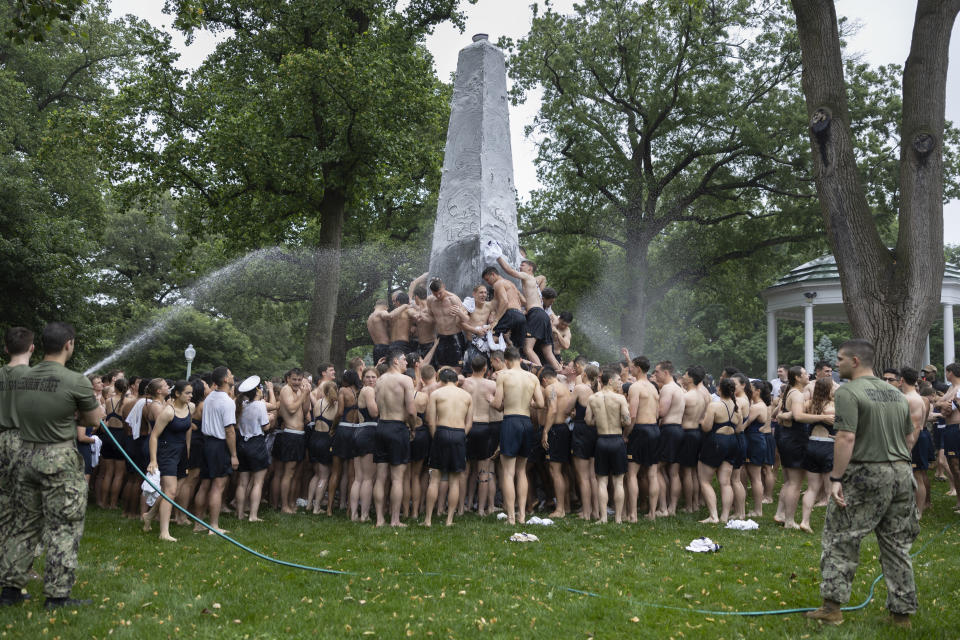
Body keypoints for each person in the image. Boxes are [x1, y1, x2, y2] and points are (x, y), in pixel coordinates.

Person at [806, 339, 918, 628]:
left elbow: (845, 437)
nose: (835, 365)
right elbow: (909, 437)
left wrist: (836, 478)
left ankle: (832, 608)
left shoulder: (849, 392)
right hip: (902, 472)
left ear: (855, 361)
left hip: (867, 471)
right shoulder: (895, 394)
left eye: (840, 359)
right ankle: (901, 615)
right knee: (896, 544)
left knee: (841, 537)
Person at [0, 322, 103, 609]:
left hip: (25, 455)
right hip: (58, 459)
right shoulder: (75, 381)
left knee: (23, 525)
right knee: (63, 526)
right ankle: (57, 596)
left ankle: (9, 591)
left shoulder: (22, 377)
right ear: (69, 343)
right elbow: (94, 421)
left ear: (41, 345)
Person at [491, 346, 545, 525]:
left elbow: (498, 404)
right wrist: (528, 401)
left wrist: (491, 402)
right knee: (521, 471)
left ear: (506, 361)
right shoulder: (532, 377)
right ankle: (522, 515)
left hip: (511, 421)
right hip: (526, 422)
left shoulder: (503, 376)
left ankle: (511, 517)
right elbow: (541, 403)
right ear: (520, 359)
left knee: (507, 472)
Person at [144, 380, 193, 541]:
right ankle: (164, 532)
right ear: (177, 393)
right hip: (166, 452)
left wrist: (187, 454)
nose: (190, 396)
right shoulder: (168, 412)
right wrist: (153, 460)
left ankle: (149, 515)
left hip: (180, 452)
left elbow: (187, 434)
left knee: (172, 492)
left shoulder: (189, 408)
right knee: (170, 492)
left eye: (191, 393)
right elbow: (154, 436)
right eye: (187, 393)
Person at [423, 368, 473, 526]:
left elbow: (430, 420)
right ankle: (449, 520)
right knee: (454, 480)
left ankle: (428, 519)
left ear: (441, 380)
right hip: (459, 433)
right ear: (456, 381)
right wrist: (460, 436)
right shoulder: (467, 396)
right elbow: (469, 423)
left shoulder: (436, 394)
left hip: (441, 431)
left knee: (435, 478)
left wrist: (435, 436)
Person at [496, 254, 562, 371]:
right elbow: (542, 278)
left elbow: (510, 271)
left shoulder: (527, 277)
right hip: (543, 315)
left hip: (536, 314)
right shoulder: (534, 283)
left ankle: (541, 373)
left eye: (523, 265)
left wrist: (497, 256)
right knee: (548, 353)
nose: (520, 267)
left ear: (530, 268)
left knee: (527, 349)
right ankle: (558, 372)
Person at [373, 350, 415, 528]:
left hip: (381, 426)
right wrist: (412, 427)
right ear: (396, 361)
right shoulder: (405, 380)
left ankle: (379, 519)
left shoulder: (379, 380)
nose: (407, 362)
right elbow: (412, 411)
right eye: (405, 359)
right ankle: (395, 520)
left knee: (381, 477)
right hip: (397, 427)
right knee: (397, 478)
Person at [0, 327, 33, 547]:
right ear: (32, 348)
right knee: (28, 504)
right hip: (27, 441)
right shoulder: (37, 377)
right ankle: (22, 563)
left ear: (5, 349)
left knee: (3, 500)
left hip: (1, 439)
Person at [586, 367, 630, 523]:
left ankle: (603, 517)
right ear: (610, 381)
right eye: (618, 380)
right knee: (618, 481)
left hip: (602, 440)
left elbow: (588, 421)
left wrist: (600, 419)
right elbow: (627, 421)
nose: (620, 383)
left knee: (602, 481)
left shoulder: (593, 398)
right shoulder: (620, 399)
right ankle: (618, 518)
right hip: (617, 440)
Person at [198, 366, 238, 535]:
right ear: (225, 380)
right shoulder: (227, 401)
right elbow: (229, 430)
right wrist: (234, 455)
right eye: (230, 374)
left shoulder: (209, 397)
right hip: (219, 445)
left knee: (205, 484)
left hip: (206, 443)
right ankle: (213, 526)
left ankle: (198, 523)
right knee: (218, 486)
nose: (233, 375)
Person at [697, 378, 740, 523]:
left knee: (705, 481)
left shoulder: (714, 406)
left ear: (719, 390)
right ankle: (725, 516)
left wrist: (702, 421)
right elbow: (739, 428)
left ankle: (713, 516)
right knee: (725, 482)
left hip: (716, 442)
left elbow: (706, 427)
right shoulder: (736, 407)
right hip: (732, 442)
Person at [798, 377, 836, 533]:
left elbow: (796, 415)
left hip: (812, 445)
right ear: (829, 389)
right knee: (830, 489)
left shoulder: (809, 405)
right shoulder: (833, 406)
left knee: (812, 488)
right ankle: (833, 526)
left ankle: (805, 521)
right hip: (828, 446)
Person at [235, 378, 275, 522]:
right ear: (258, 390)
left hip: (242, 444)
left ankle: (239, 513)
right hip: (256, 443)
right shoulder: (259, 405)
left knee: (242, 482)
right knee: (258, 482)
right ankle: (253, 515)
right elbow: (265, 427)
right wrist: (271, 420)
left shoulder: (242, 404)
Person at [461, 356, 497, 516]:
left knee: (464, 471)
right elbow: (501, 405)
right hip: (484, 427)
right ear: (485, 369)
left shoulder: (464, 384)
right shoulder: (491, 385)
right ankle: (481, 509)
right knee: (484, 471)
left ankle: (462, 508)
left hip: (467, 426)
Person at [625, 356, 660, 522]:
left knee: (632, 474)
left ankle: (633, 514)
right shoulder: (654, 388)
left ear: (638, 368)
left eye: (631, 367)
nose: (630, 369)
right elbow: (658, 412)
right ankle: (652, 513)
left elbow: (632, 415)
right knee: (652, 474)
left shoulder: (635, 387)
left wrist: (626, 434)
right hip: (654, 429)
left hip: (640, 429)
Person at [539, 367, 571, 517]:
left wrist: (545, 430)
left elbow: (552, 410)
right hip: (564, 428)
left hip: (556, 429)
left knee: (555, 470)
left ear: (544, 380)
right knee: (563, 470)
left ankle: (560, 510)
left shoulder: (550, 388)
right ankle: (567, 506)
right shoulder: (565, 388)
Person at [276, 368, 310, 514]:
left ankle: (291, 502)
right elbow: (290, 409)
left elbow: (305, 409)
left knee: (296, 472)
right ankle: (284, 506)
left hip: (300, 434)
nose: (297, 382)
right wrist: (303, 394)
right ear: (288, 379)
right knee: (288, 472)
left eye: (299, 379)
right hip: (290, 434)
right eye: (294, 379)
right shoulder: (286, 390)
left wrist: (306, 394)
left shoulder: (299, 392)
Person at [654, 361, 685, 516]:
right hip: (678, 429)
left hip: (669, 430)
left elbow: (662, 411)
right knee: (673, 471)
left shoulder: (667, 388)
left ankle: (663, 508)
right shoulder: (678, 389)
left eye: (657, 372)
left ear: (666, 373)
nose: (655, 374)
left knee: (657, 468)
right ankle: (672, 508)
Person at [570, 365, 600, 520]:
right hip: (595, 431)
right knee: (593, 475)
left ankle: (586, 513)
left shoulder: (580, 388)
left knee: (583, 476)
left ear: (585, 375)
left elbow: (568, 407)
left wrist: (573, 413)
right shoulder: (598, 390)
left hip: (582, 429)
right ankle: (595, 511)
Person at [678, 366, 707, 513]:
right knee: (695, 471)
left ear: (690, 378)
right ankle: (695, 503)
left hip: (687, 433)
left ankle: (689, 506)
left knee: (687, 471)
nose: (683, 376)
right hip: (697, 432)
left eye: (685, 374)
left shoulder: (687, 397)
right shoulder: (702, 395)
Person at [307, 380, 336, 515]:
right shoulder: (334, 405)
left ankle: (308, 504)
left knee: (316, 474)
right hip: (325, 439)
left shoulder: (318, 402)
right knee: (324, 476)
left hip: (314, 438)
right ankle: (317, 506)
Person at [482, 265, 527, 349]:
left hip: (510, 314)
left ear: (493, 274)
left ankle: (491, 361)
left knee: (492, 338)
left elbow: (504, 301)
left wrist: (496, 320)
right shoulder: (511, 284)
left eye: (487, 279)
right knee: (515, 349)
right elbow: (524, 301)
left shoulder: (498, 283)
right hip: (521, 317)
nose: (488, 282)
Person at [935, 362, 960, 512]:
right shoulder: (951, 388)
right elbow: (938, 403)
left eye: (946, 372)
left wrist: (943, 405)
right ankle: (958, 501)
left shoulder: (958, 389)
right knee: (952, 465)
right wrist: (942, 404)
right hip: (949, 429)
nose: (945, 375)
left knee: (956, 466)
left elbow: (950, 408)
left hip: (956, 428)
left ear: (951, 373)